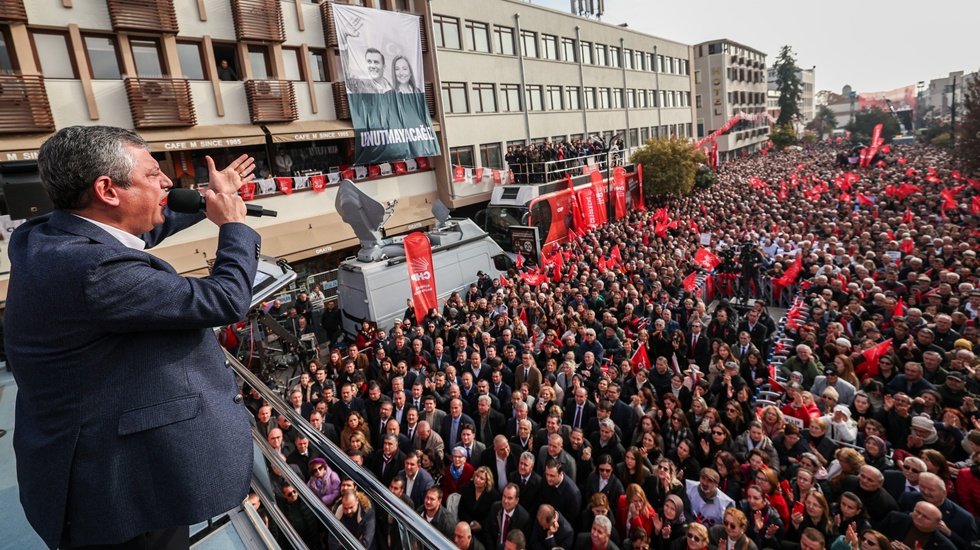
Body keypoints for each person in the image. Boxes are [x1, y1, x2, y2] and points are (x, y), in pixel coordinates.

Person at [5, 126, 258, 548]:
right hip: (119, 491)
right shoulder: (94, 272)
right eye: (153, 174)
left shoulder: (48, 234)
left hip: (85, 461)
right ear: (106, 189)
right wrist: (232, 226)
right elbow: (224, 300)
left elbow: (130, 233)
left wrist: (203, 202)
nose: (166, 183)